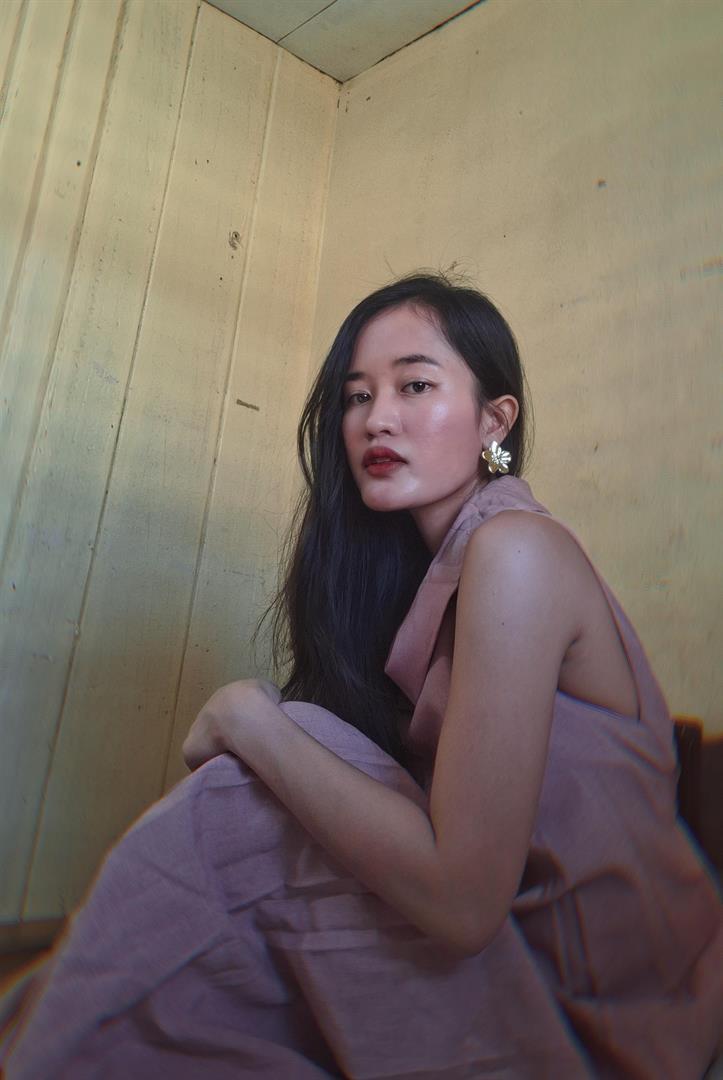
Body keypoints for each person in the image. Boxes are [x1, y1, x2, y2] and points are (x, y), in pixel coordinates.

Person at [2, 274, 721, 1078]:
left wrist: (248, 719)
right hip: (515, 965)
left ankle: (48, 1044)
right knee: (281, 777)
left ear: (494, 421)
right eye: (356, 396)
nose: (375, 418)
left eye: (414, 385)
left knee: (264, 769)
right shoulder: (432, 582)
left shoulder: (516, 551)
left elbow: (461, 903)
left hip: (608, 1016)